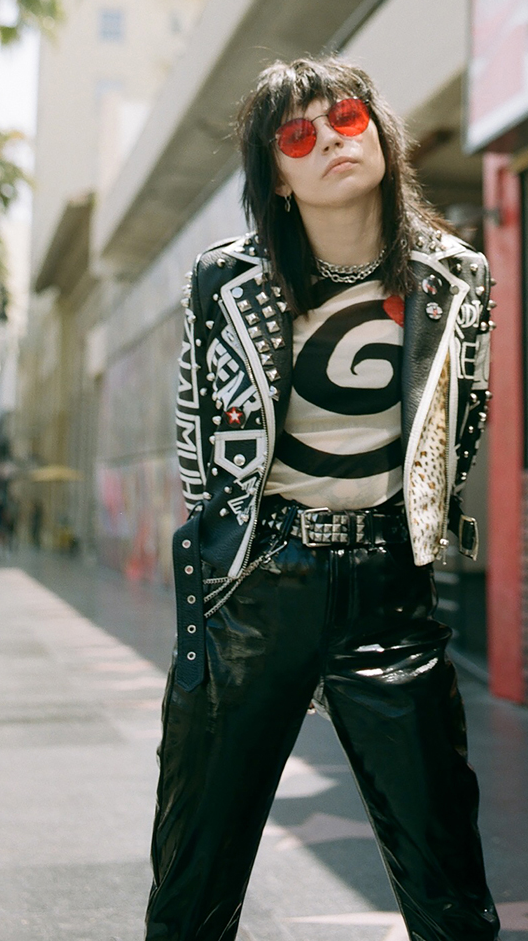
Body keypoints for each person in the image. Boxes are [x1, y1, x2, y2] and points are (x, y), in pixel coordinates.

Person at [146, 56, 498, 941]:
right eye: (300, 136)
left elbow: (460, 431)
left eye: (346, 118)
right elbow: (197, 446)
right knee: (194, 884)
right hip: (255, 589)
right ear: (277, 175)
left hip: (389, 589)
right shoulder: (224, 283)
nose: (332, 141)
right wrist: (227, 574)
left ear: (380, 129)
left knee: (449, 887)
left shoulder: (457, 278)